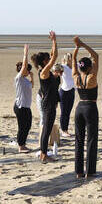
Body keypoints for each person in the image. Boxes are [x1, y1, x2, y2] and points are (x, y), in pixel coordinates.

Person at [72, 36, 100, 178]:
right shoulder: (91, 78)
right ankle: (90, 171)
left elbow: (73, 62)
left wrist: (76, 49)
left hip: (79, 107)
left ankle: (78, 171)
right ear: (89, 67)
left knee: (79, 139)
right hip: (90, 107)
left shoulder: (76, 76)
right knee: (91, 139)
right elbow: (96, 56)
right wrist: (82, 44)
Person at [30, 31, 59, 163]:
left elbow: (53, 55)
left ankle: (44, 153)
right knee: (46, 130)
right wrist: (54, 40)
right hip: (48, 105)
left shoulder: (46, 71)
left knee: (47, 129)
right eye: (47, 59)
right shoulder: (44, 72)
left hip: (51, 103)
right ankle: (43, 154)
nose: (50, 60)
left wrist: (53, 44)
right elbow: (55, 57)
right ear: (44, 62)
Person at [13, 44, 33, 153]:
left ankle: (23, 144)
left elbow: (32, 86)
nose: (29, 71)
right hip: (20, 106)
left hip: (26, 106)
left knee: (28, 125)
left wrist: (32, 77)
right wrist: (25, 53)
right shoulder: (19, 78)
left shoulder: (25, 79)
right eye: (27, 70)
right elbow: (24, 65)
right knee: (22, 127)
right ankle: (21, 146)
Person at [58, 52, 76, 139]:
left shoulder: (73, 67)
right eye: (69, 57)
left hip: (72, 91)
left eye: (71, 57)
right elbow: (56, 67)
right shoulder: (64, 67)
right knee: (63, 112)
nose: (70, 58)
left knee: (68, 112)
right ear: (66, 58)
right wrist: (62, 63)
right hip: (64, 92)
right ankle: (63, 130)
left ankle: (66, 130)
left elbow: (83, 64)